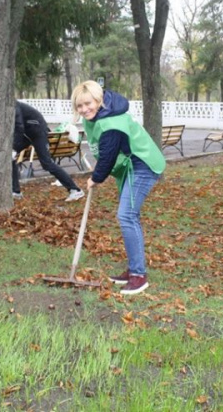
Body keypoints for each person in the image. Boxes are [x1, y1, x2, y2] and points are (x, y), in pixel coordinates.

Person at [71, 81, 165, 295]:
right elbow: (104, 151)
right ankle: (134, 269)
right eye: (80, 106)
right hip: (130, 166)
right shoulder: (96, 118)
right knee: (129, 216)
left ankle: (139, 276)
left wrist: (96, 178)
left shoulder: (111, 122)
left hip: (143, 165)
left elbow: (109, 155)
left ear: (99, 100)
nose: (84, 109)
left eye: (88, 103)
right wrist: (98, 171)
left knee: (126, 216)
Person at [12, 101, 85, 202]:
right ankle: (16, 192)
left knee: (47, 164)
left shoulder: (13, 105)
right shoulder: (8, 106)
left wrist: (14, 148)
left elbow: (19, 126)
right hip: (29, 134)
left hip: (38, 132)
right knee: (10, 158)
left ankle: (75, 190)